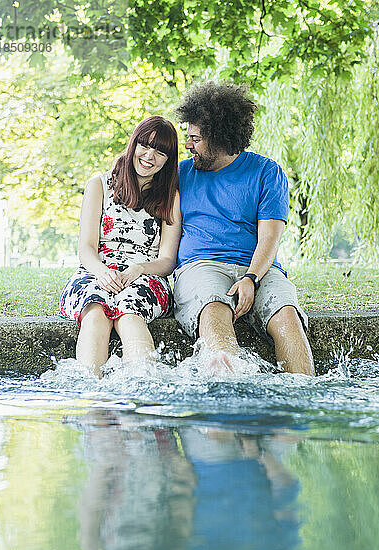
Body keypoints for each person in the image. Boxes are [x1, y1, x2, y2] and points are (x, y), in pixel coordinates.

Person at [173, 81, 315, 375]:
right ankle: (229, 398)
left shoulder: (266, 172)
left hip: (260, 270)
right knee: (213, 309)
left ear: (220, 138)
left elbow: (270, 239)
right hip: (201, 267)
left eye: (195, 138)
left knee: (287, 316)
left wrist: (251, 277)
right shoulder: (181, 173)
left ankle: (301, 400)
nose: (188, 145)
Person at [60, 116, 181, 377]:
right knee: (95, 311)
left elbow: (168, 260)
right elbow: (86, 248)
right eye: (145, 146)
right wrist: (102, 273)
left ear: (169, 160)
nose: (150, 156)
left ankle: (142, 394)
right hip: (96, 271)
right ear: (133, 144)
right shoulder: (99, 185)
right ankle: (92, 397)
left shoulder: (170, 197)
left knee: (128, 313)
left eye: (161, 152)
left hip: (145, 276)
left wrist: (138, 269)